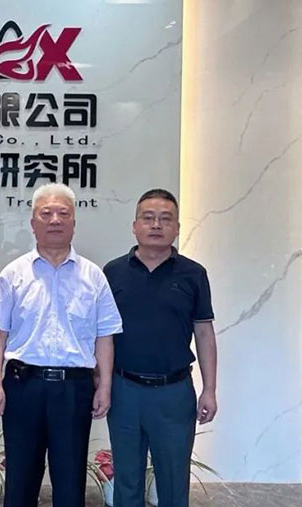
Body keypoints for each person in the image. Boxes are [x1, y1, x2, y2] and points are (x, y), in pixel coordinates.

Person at [0, 182, 121, 507]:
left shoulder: (93, 276)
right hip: (23, 386)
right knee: (20, 480)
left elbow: (105, 334)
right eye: (46, 214)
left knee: (70, 482)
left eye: (63, 213)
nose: (55, 220)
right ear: (33, 222)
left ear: (74, 222)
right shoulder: (13, 274)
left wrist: (104, 387)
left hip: (74, 390)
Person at [103, 188, 217, 507]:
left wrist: (209, 389)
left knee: (174, 482)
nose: (156, 225)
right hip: (125, 390)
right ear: (134, 226)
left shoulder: (193, 274)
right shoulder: (113, 272)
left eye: (165, 219)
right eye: (148, 218)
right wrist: (102, 383)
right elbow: (102, 334)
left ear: (177, 228)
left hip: (174, 393)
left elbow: (204, 332)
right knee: (127, 481)